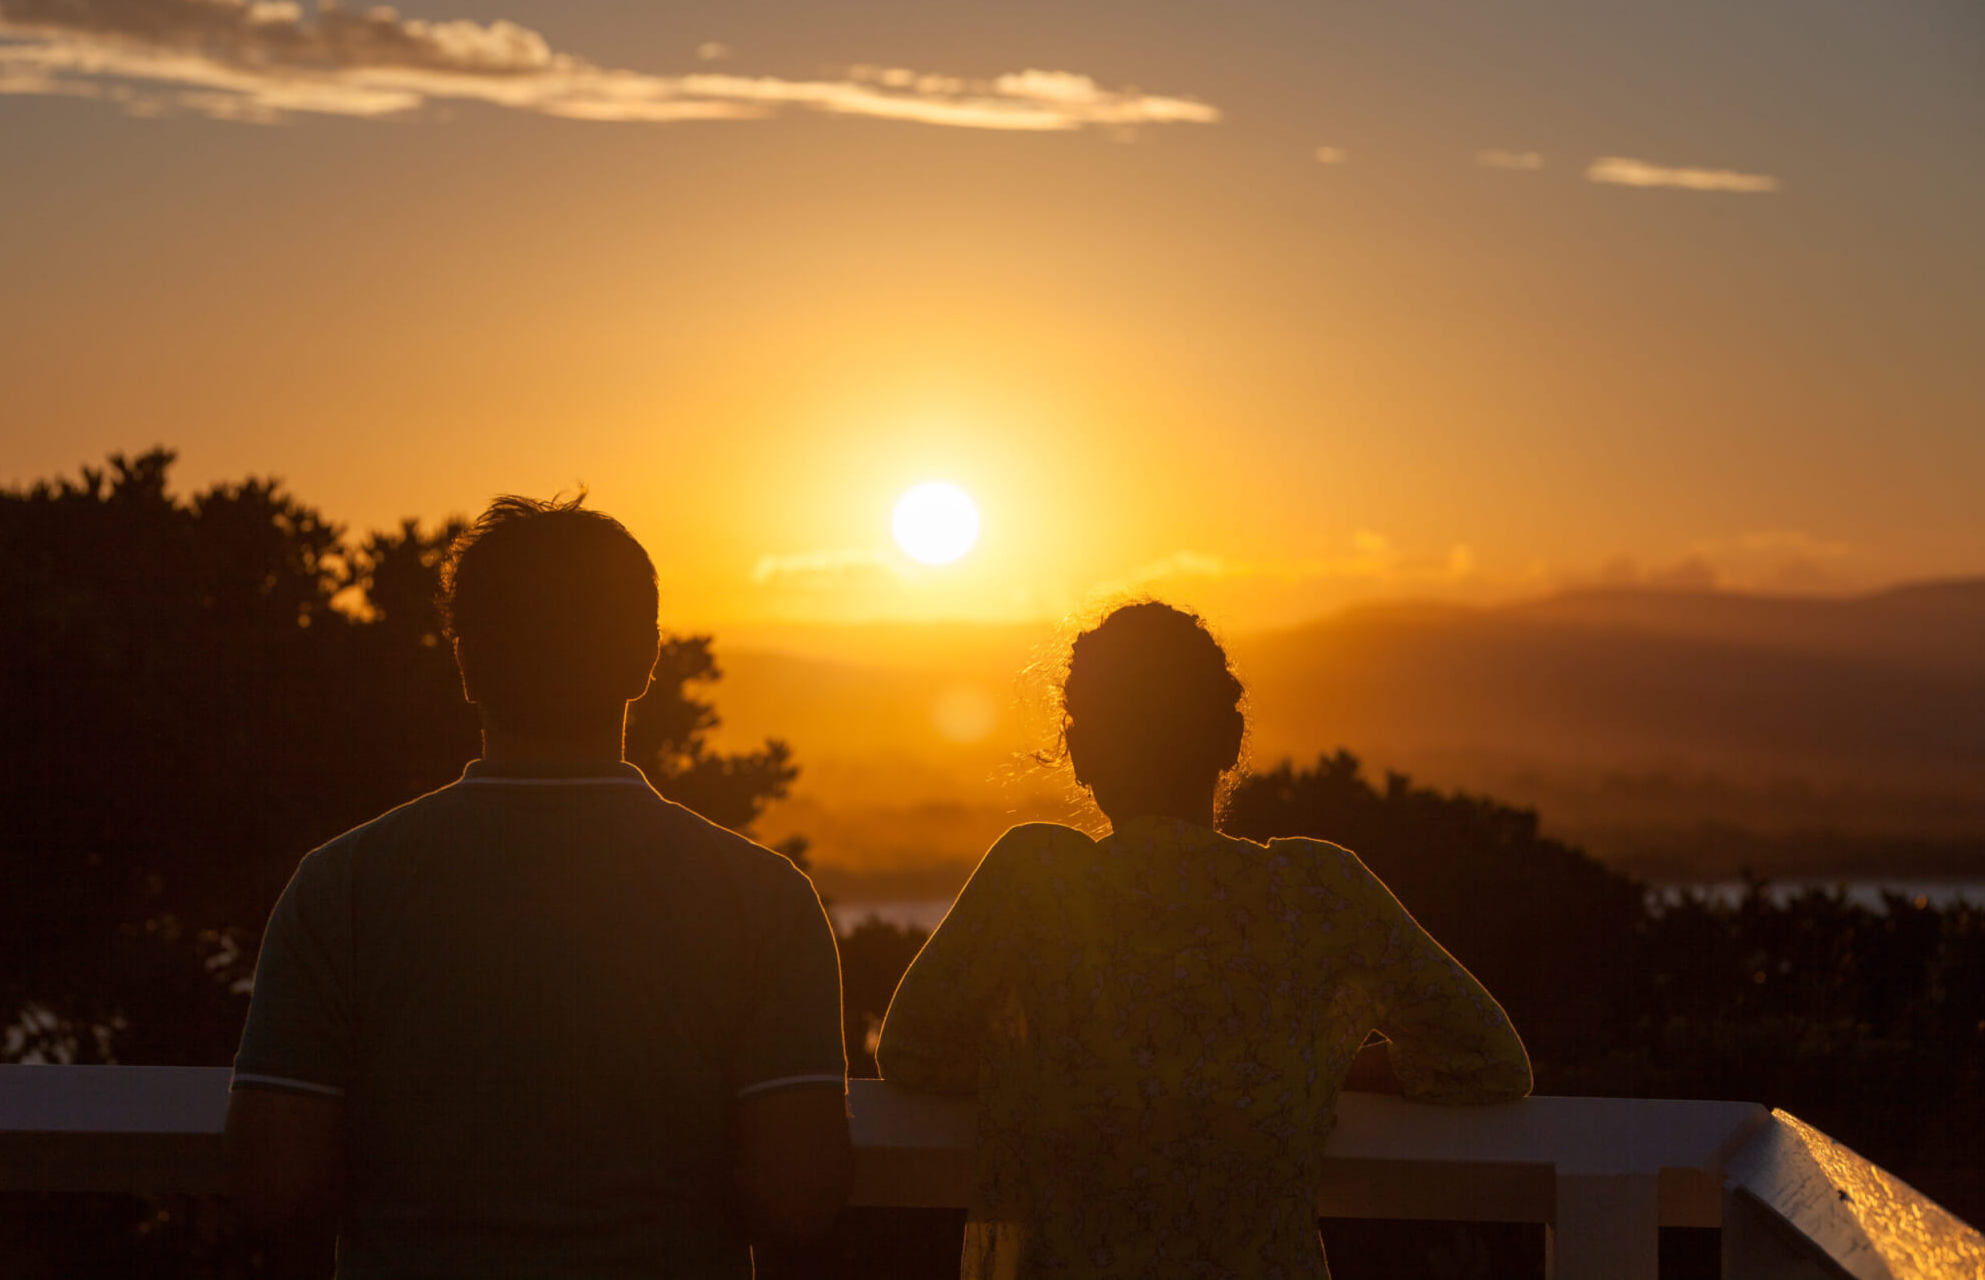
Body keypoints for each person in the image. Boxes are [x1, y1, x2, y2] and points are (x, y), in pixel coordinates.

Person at [226, 494, 852, 1278]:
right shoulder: (762, 900)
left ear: (467, 661)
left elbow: (274, 1187)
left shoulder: (341, 886)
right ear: (644, 660)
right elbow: (799, 1198)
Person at [876, 601, 1532, 1279]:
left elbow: (913, 1049)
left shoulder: (1035, 882)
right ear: (1230, 740)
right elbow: (1487, 1059)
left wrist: (1062, 1066)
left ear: (1081, 755)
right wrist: (1308, 1068)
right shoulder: (1319, 892)